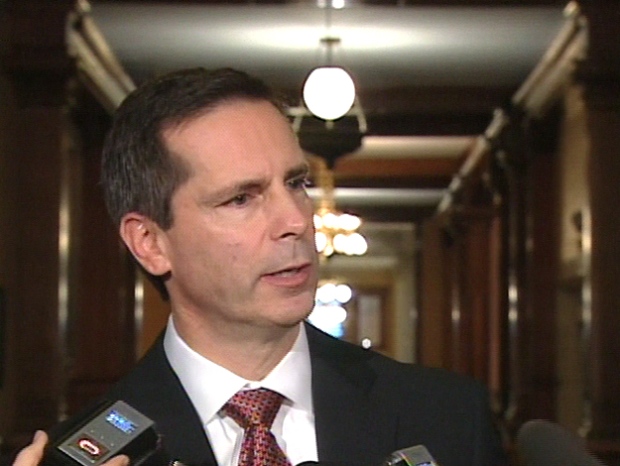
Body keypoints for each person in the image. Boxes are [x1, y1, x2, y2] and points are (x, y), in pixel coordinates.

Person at [12, 68, 506, 466]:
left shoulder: (447, 418)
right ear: (150, 242)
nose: (294, 220)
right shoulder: (86, 457)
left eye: (295, 183)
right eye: (241, 199)